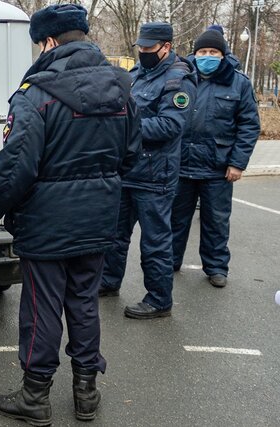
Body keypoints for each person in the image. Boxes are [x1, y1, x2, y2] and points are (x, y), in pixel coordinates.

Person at [0, 4, 141, 424]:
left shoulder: (37, 95)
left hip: (46, 223)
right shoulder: (121, 88)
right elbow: (132, 156)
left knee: (42, 307)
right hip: (99, 219)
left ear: (47, 43)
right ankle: (86, 392)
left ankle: (35, 396)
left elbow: (14, 168)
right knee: (83, 303)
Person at [98, 22, 197, 319]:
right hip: (127, 170)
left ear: (166, 47)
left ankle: (159, 300)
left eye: (149, 48)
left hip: (155, 175)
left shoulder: (179, 82)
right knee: (115, 235)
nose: (143, 52)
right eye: (140, 47)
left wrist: (125, 128)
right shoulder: (136, 75)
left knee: (155, 242)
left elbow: (170, 126)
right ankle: (108, 281)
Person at [171, 30, 260, 287]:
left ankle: (216, 266)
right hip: (182, 163)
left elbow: (248, 125)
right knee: (176, 218)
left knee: (216, 220)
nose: (207, 57)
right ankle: (171, 260)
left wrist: (237, 162)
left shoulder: (239, 83)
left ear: (223, 55)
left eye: (213, 53)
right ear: (194, 54)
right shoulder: (182, 77)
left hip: (218, 167)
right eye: (202, 52)